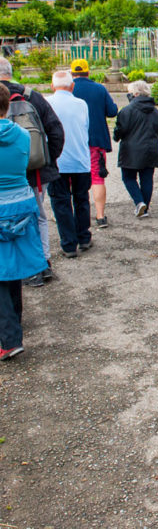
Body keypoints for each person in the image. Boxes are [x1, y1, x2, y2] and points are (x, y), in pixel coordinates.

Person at [0, 56, 64, 287]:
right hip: (36, 171)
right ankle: (41, 264)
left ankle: (11, 269)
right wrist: (46, 161)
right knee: (37, 216)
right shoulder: (32, 95)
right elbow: (56, 131)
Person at [0, 82, 47, 361]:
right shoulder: (20, 133)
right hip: (21, 202)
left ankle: (9, 338)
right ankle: (14, 323)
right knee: (13, 268)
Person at [46, 71, 93, 257]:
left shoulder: (46, 103)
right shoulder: (81, 104)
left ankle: (68, 244)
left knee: (60, 202)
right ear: (72, 86)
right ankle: (84, 237)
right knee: (81, 198)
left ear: (52, 86)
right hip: (80, 159)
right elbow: (86, 128)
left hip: (57, 160)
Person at [71, 58, 118, 229]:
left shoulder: (69, 89)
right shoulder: (99, 89)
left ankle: (72, 215)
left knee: (70, 177)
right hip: (96, 140)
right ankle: (100, 216)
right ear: (88, 72)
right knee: (97, 178)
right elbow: (112, 111)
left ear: (72, 73)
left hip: (73, 141)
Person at [112, 80, 158, 218]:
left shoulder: (127, 111)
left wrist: (116, 136)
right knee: (147, 178)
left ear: (134, 94)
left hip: (131, 150)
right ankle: (144, 206)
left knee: (128, 178)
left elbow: (120, 130)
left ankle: (139, 202)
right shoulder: (155, 111)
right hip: (150, 149)